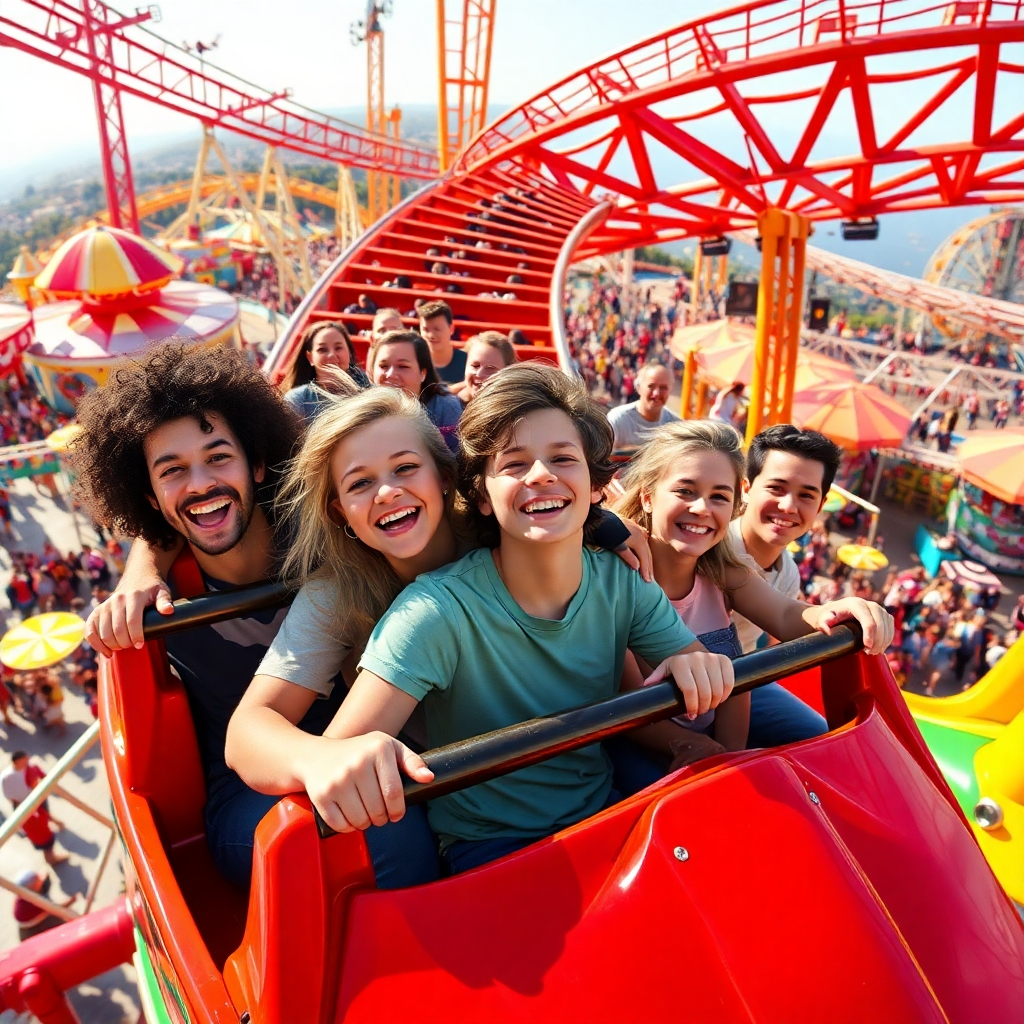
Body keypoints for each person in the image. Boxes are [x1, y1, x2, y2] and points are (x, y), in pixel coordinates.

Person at [308, 364, 736, 875]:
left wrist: (699, 667)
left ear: (597, 486)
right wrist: (361, 755)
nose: (541, 475)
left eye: (562, 458)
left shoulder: (623, 583)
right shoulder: (434, 612)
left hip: (605, 819)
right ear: (482, 496)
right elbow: (342, 753)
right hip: (490, 849)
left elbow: (689, 656)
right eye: (514, 464)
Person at [224, 387, 654, 886]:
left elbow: (553, 509)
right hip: (458, 794)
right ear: (340, 510)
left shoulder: (501, 532)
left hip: (559, 760)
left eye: (406, 468)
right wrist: (318, 757)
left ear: (446, 478)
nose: (387, 492)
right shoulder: (338, 592)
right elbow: (248, 731)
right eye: (360, 483)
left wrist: (600, 521)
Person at [72, 344, 347, 888]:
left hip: (355, 746)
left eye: (219, 457)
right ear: (149, 497)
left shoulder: (324, 535)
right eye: (172, 471)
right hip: (248, 795)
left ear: (258, 462)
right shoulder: (160, 596)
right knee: (330, 831)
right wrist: (140, 569)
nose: (199, 483)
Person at [614, 420, 892, 753]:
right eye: (686, 491)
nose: (702, 508)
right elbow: (628, 702)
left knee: (826, 742)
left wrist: (839, 609)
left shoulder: (724, 567)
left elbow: (783, 616)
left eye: (718, 496)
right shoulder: (623, 573)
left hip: (724, 697)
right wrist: (693, 746)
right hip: (648, 734)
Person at [729, 424, 847, 745]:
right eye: (776, 488)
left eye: (806, 495)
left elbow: (767, 638)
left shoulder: (789, 571)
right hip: (683, 683)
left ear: (820, 506)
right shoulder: (715, 546)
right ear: (747, 487)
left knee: (822, 739)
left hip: (740, 681)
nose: (789, 506)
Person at [368, 330, 463, 453]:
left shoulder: (445, 408)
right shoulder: (361, 411)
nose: (390, 374)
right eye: (383, 366)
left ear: (423, 373)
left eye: (403, 366)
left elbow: (459, 465)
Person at [281, 321, 370, 423]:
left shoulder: (369, 394)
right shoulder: (298, 400)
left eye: (338, 348)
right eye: (322, 349)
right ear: (310, 358)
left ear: (349, 352)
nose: (331, 355)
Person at [607, 363, 677, 449]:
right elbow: (605, 458)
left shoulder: (675, 425)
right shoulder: (618, 420)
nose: (656, 394)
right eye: (651, 386)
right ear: (638, 387)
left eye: (663, 388)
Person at [12, 868, 75, 940]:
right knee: (66, 928)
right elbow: (59, 909)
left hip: (32, 923)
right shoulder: (35, 903)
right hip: (36, 928)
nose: (43, 881)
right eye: (39, 881)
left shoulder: (24, 896)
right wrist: (72, 900)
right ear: (33, 888)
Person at [460, 331, 517, 404]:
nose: (479, 374)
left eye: (490, 368)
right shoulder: (447, 408)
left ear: (508, 372)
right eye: (475, 366)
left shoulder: (518, 410)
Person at [417, 300, 466, 385]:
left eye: (437, 329)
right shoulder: (415, 363)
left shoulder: (468, 362)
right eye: (426, 330)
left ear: (451, 329)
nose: (431, 335)